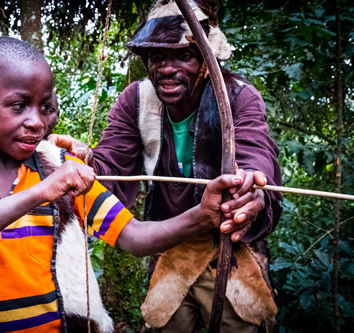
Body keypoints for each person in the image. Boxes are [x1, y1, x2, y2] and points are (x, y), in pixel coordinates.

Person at [0, 36, 262, 333]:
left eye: (46, 107)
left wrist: (203, 214)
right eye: (18, 106)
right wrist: (38, 193)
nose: (36, 122)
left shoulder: (59, 168)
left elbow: (134, 237)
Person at [49, 0, 283, 332]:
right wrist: (85, 161)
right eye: (157, 57)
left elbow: (254, 153)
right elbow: (107, 164)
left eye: (183, 56)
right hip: (170, 248)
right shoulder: (137, 99)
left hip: (231, 255)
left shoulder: (238, 96)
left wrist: (250, 190)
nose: (166, 68)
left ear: (206, 61)